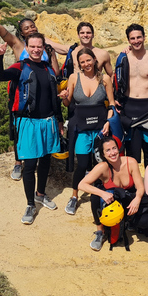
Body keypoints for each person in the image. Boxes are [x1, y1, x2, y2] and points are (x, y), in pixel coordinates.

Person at [0, 0, 61, 181]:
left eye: (33, 27)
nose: (30, 29)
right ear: (21, 33)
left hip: (43, 94)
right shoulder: (18, 45)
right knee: (19, 129)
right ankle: (18, 163)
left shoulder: (45, 47)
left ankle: (40, 159)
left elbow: (56, 71)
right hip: (22, 93)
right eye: (26, 28)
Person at [0, 35, 62, 225]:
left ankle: (41, 194)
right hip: (28, 123)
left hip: (48, 122)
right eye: (32, 46)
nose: (36, 50)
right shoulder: (20, 67)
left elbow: (54, 98)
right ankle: (30, 204)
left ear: (44, 49)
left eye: (39, 47)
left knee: (46, 160)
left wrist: (60, 122)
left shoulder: (49, 69)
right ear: (27, 48)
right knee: (29, 165)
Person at [59, 47, 115, 216]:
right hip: (81, 129)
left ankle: (105, 193)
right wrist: (64, 98)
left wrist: (108, 122)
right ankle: (75, 195)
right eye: (82, 62)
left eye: (88, 60)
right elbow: (68, 103)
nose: (86, 64)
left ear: (94, 60)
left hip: (100, 129)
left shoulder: (104, 79)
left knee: (102, 164)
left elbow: (111, 104)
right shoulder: (74, 77)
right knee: (82, 164)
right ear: (79, 64)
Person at [113, 24, 148, 166]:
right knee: (130, 154)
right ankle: (133, 187)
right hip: (128, 109)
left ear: (144, 37)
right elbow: (115, 81)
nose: (136, 40)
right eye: (132, 38)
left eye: (139, 37)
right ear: (128, 40)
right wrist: (114, 99)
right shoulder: (123, 59)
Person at [78, 135, 145, 251]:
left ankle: (129, 222)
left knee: (146, 224)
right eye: (107, 150)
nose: (112, 153)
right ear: (103, 154)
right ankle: (100, 231)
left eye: (114, 148)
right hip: (112, 201)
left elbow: (140, 187)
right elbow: (81, 184)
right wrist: (102, 193)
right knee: (95, 197)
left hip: (129, 200)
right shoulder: (102, 167)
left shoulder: (131, 162)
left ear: (119, 149)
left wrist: (138, 199)